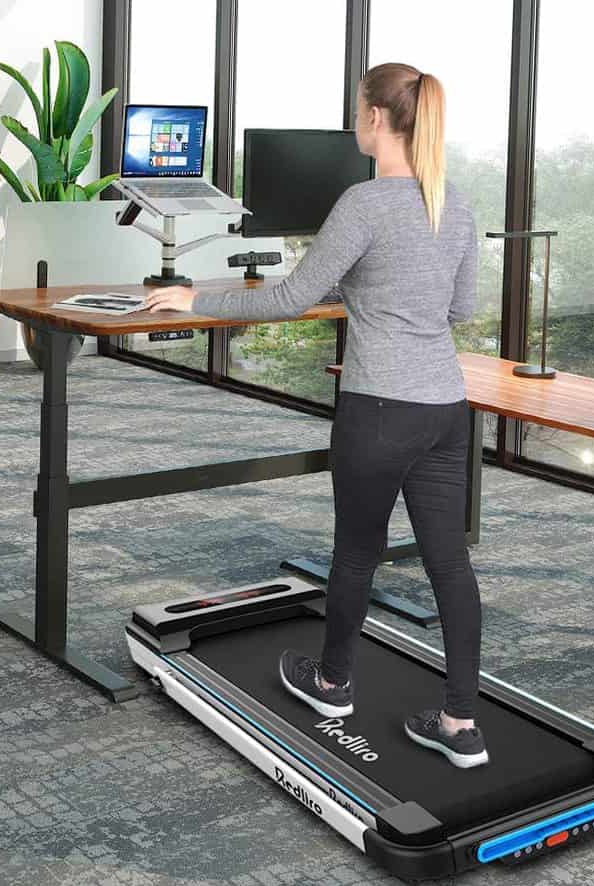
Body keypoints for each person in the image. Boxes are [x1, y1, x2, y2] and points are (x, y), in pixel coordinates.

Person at [142, 63, 487, 769]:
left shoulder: (364, 202)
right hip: (446, 410)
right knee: (449, 564)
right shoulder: (456, 206)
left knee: (357, 551)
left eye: (359, 109)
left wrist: (191, 297)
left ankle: (332, 684)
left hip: (379, 407)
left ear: (376, 120)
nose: (355, 120)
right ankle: (460, 724)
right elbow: (459, 311)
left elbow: (290, 297)